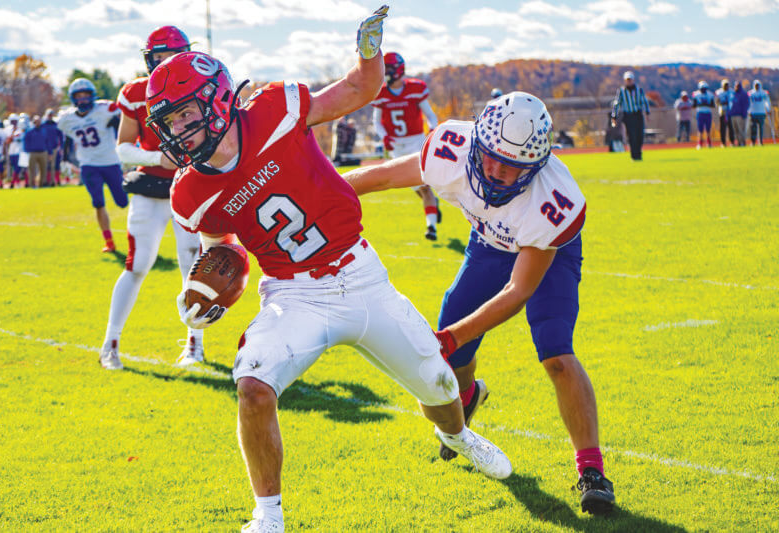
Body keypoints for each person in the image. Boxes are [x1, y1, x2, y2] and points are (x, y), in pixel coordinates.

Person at [146, 8, 512, 532]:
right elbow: (224, 251)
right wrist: (207, 290)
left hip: (361, 275)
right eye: (168, 122)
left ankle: (457, 435)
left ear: (216, 99)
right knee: (252, 385)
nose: (177, 130)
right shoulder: (190, 191)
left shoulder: (275, 108)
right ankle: (267, 516)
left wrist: (368, 48)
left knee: (440, 386)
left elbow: (362, 88)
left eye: (183, 114)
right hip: (293, 296)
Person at [344, 91, 616, 516]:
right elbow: (377, 177)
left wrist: (450, 337)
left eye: (512, 165)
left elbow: (518, 291)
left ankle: (592, 470)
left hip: (544, 252)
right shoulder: (451, 149)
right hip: (488, 243)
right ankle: (469, 396)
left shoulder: (553, 202)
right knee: (451, 369)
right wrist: (323, 196)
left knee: (556, 353)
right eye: (490, 156)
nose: (495, 170)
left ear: (536, 165)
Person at [98, 25, 203, 371]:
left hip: (191, 188)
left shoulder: (204, 85)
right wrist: (158, 158)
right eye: (157, 58)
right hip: (152, 190)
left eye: (170, 56)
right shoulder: (136, 92)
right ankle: (110, 344)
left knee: (192, 263)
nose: (163, 64)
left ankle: (194, 345)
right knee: (138, 264)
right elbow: (123, 148)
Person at [371, 51, 441, 240]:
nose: (387, 73)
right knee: (415, 186)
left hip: (416, 141)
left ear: (399, 69)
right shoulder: (381, 92)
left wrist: (433, 130)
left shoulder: (415, 88)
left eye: (390, 68)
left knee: (424, 185)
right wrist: (384, 136)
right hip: (396, 145)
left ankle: (431, 227)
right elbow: (376, 121)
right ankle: (433, 206)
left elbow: (431, 115)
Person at [58, 78, 128, 252]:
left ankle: (134, 234)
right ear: (73, 99)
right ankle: (109, 242)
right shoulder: (66, 119)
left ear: (92, 96)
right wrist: (66, 159)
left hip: (110, 162)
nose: (83, 100)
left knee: (122, 202)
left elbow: (125, 116)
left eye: (86, 96)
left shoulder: (104, 109)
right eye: (79, 96)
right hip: (88, 165)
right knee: (98, 202)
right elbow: (67, 139)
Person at [611, 70, 649, 160]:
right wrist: (614, 116)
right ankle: (634, 155)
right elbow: (617, 103)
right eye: (627, 80)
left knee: (640, 135)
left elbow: (644, 101)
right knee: (632, 136)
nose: (629, 81)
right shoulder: (621, 91)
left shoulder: (639, 89)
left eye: (630, 80)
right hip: (628, 116)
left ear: (633, 80)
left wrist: (647, 113)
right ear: (625, 80)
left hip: (638, 114)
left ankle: (639, 154)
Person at [23, 115, 49, 188]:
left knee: (43, 170)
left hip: (43, 152)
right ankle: (32, 185)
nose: (37, 122)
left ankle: (41, 184)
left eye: (39, 121)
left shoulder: (44, 130)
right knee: (32, 170)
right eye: (36, 121)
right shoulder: (30, 131)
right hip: (33, 152)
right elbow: (26, 141)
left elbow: (47, 141)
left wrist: (49, 151)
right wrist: (27, 150)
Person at [41, 108, 64, 186]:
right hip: (44, 148)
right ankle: (46, 181)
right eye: (49, 115)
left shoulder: (56, 125)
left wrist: (61, 147)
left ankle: (54, 181)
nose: (50, 116)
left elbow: (61, 137)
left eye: (51, 115)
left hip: (54, 147)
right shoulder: (43, 125)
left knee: (54, 165)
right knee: (45, 165)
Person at [747, 80, 771, 146]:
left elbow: (767, 101)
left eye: (758, 85)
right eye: (756, 85)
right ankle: (753, 142)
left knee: (761, 129)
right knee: (753, 128)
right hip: (753, 113)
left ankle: (760, 141)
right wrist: (749, 110)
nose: (757, 86)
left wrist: (768, 109)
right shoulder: (750, 93)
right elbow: (748, 103)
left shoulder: (764, 93)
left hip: (761, 112)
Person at [691, 81, 715, 149]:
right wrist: (701, 104)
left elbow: (713, 105)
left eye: (704, 88)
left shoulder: (710, 94)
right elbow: (694, 105)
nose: (703, 90)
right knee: (700, 129)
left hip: (707, 113)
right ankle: (700, 143)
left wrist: (706, 104)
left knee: (708, 129)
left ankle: (709, 143)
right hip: (700, 113)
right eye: (702, 88)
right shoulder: (696, 94)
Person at [728, 81, 749, 147]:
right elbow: (730, 104)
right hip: (733, 115)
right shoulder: (733, 94)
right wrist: (729, 113)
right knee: (735, 130)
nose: (737, 87)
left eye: (738, 86)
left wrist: (744, 114)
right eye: (736, 86)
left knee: (741, 130)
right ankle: (739, 142)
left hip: (740, 115)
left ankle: (742, 142)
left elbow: (746, 105)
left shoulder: (743, 94)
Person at [715, 79, 734, 147]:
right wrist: (721, 102)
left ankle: (732, 142)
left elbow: (734, 100)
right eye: (725, 85)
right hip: (722, 111)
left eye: (727, 85)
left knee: (731, 128)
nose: (726, 86)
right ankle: (723, 143)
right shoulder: (719, 92)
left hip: (730, 112)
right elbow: (716, 102)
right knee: (723, 128)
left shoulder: (731, 91)